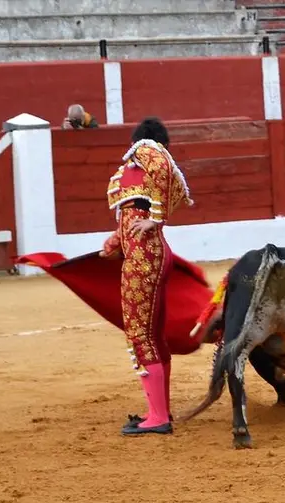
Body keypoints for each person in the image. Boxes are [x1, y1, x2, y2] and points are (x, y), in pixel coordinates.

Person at [101, 117, 192, 436]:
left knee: (140, 333)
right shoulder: (140, 170)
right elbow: (131, 215)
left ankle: (158, 417)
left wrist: (155, 220)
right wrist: (115, 242)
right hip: (146, 252)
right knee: (150, 334)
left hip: (144, 255)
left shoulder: (145, 149)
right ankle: (158, 411)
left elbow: (164, 173)